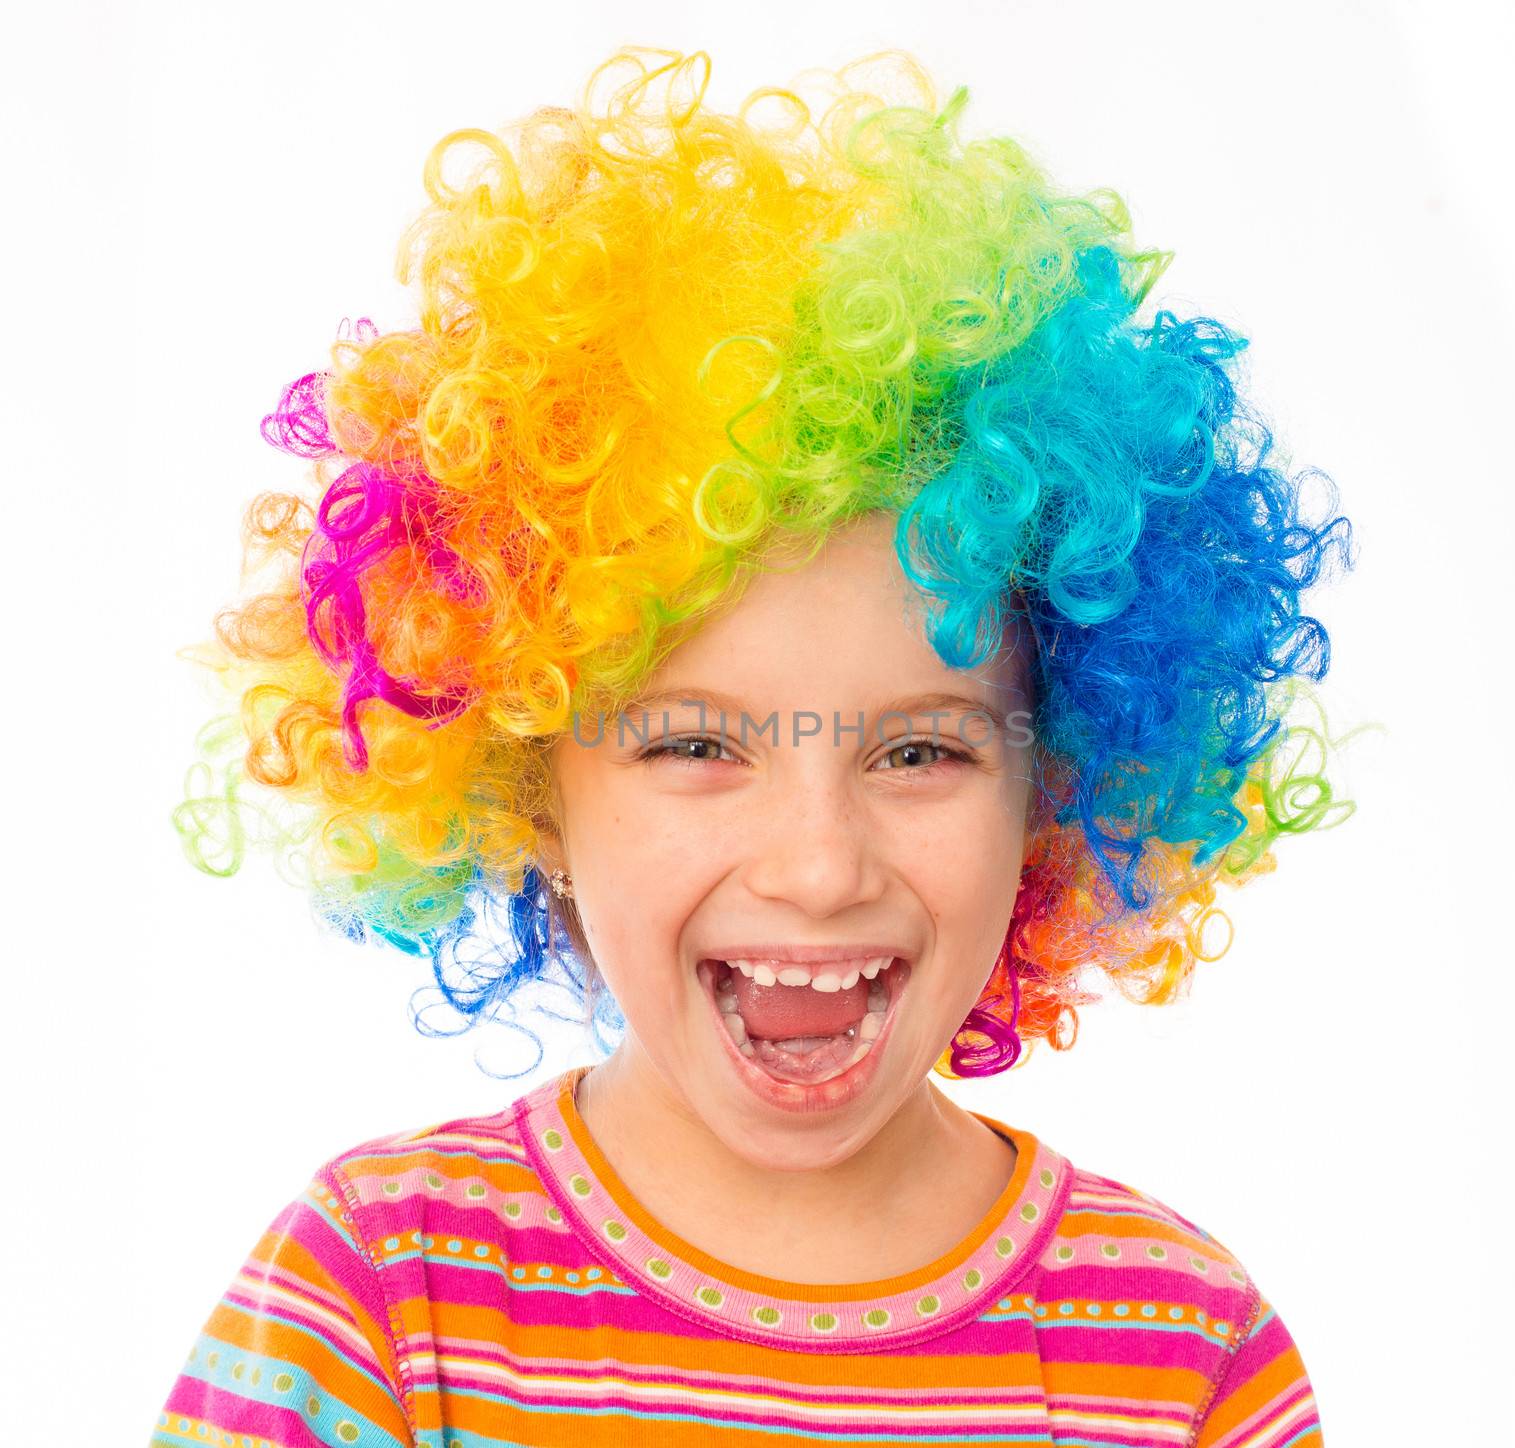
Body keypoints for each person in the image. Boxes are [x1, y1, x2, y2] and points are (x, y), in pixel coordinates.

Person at [154, 45, 1357, 1447]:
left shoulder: (1180, 1351)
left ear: (1060, 788)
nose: (816, 863)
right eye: (692, 746)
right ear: (528, 784)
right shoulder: (380, 1302)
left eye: (919, 755)